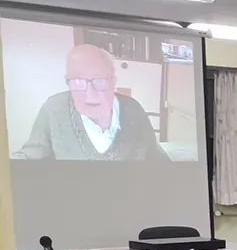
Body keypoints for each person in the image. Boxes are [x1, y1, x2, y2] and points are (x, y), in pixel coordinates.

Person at [13, 44, 170, 162]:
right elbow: (29, 157)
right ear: (67, 82)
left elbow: (156, 158)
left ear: (113, 82)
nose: (90, 94)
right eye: (78, 81)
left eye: (100, 80)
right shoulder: (54, 109)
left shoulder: (133, 109)